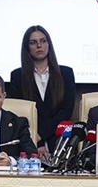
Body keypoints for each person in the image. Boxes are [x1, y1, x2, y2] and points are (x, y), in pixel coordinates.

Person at [8, 25, 75, 157]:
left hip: (58, 138)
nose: (39, 46)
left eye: (43, 41)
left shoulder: (66, 73)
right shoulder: (17, 76)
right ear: (27, 47)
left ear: (49, 44)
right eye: (33, 42)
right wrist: (37, 142)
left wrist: (41, 134)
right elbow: (20, 112)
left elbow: (66, 110)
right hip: (28, 138)